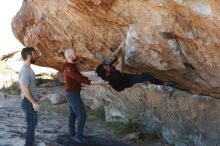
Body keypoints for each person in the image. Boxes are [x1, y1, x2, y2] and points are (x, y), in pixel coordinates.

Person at [62, 48, 108, 144]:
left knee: (73, 114)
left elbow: (82, 77)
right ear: (69, 56)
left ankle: (73, 134)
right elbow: (80, 79)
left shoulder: (70, 66)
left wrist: (96, 79)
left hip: (71, 93)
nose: (76, 55)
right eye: (74, 54)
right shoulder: (70, 68)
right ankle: (77, 136)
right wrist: (98, 82)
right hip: (72, 94)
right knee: (81, 114)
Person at [95, 40, 176, 92]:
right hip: (125, 82)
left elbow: (113, 56)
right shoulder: (114, 77)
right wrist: (120, 51)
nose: (107, 65)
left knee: (113, 61)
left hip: (120, 75)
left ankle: (142, 76)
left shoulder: (106, 68)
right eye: (106, 67)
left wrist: (121, 45)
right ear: (106, 73)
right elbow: (120, 60)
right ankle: (163, 83)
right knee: (146, 76)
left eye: (106, 65)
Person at [18, 47, 40, 146]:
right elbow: (24, 88)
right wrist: (33, 102)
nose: (36, 56)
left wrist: (35, 98)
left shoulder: (28, 68)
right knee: (31, 126)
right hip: (28, 102)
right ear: (29, 56)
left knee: (33, 124)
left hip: (30, 100)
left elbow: (29, 86)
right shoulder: (25, 70)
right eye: (34, 54)